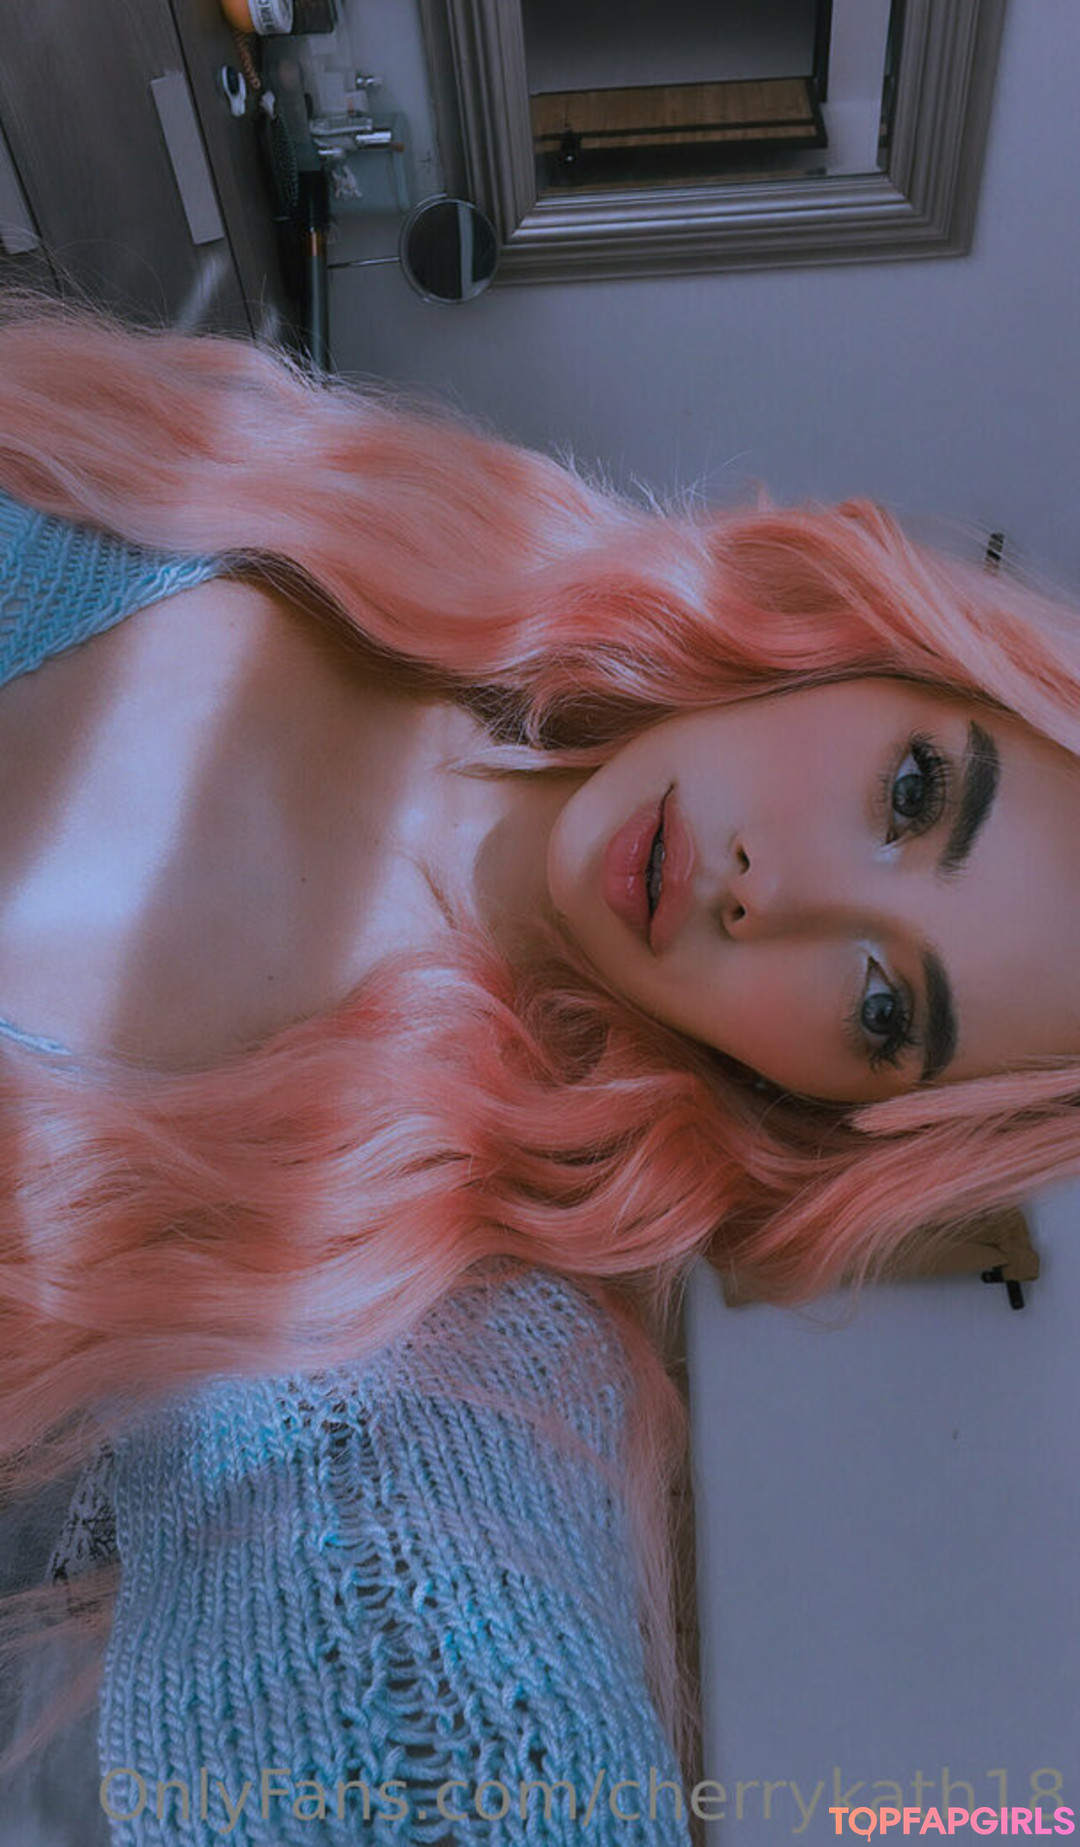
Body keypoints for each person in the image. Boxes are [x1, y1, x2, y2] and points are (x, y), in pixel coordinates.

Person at [0, 289, 1079, 1819]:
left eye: (883, 1005)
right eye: (911, 794)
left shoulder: (439, 1305)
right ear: (872, 658)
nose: (772, 894)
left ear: (829, 1107)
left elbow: (428, 1678)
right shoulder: (347, 517)